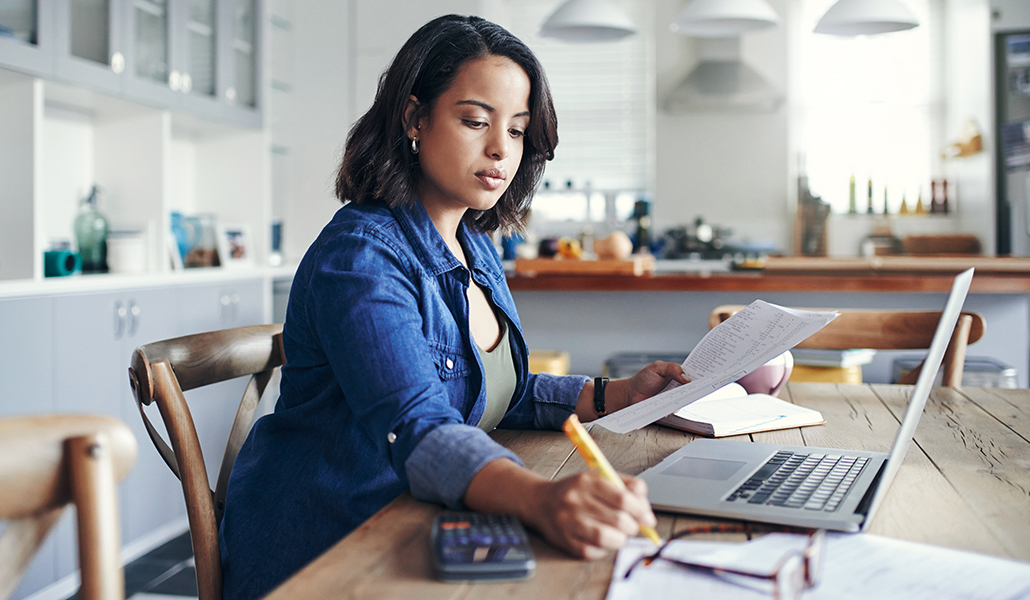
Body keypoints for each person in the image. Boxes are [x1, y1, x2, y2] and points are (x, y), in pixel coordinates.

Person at [219, 14, 689, 599]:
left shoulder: (476, 244)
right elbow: (419, 424)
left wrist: (615, 395)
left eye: (517, 130)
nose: (500, 149)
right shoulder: (362, 256)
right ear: (415, 118)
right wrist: (541, 498)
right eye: (475, 121)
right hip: (333, 549)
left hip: (419, 524)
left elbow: (496, 389)